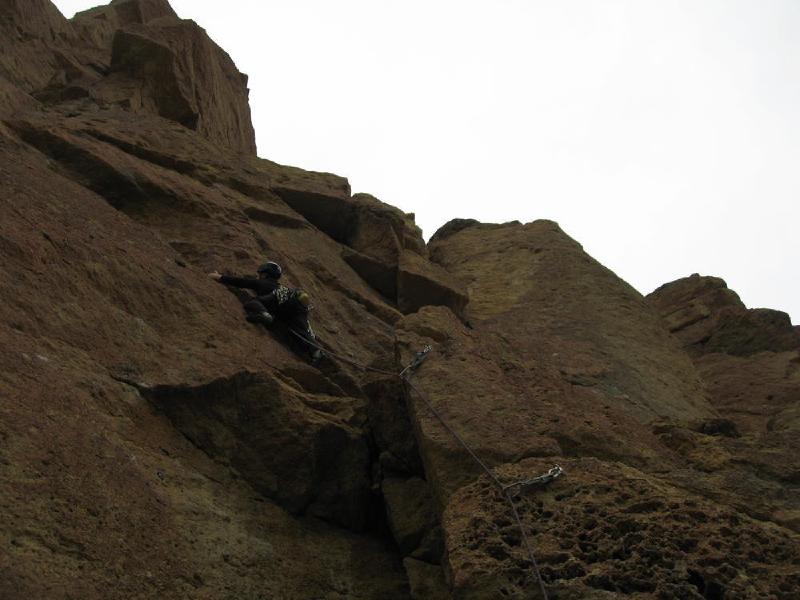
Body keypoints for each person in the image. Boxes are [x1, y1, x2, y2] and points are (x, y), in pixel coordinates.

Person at [209, 261, 322, 362]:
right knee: (298, 331)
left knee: (252, 302)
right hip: (297, 308)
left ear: (264, 273)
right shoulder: (284, 288)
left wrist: (219, 277)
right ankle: (315, 351)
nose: (259, 276)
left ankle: (264, 314)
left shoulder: (262, 283)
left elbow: (241, 282)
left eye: (260, 274)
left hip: (276, 304)